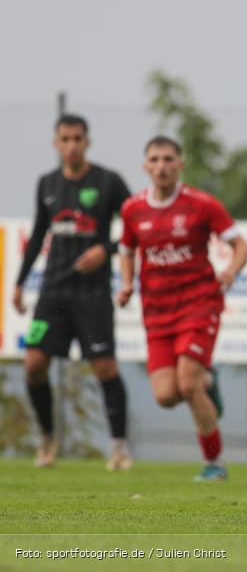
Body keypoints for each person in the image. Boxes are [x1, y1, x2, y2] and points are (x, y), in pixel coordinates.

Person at [117, 135, 247, 482]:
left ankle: (214, 462)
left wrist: (231, 271)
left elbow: (241, 246)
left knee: (188, 384)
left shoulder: (202, 204)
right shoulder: (133, 209)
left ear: (180, 164)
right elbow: (127, 251)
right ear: (146, 166)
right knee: (165, 395)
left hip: (198, 303)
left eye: (167, 159)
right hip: (156, 312)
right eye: (155, 160)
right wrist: (127, 283)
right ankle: (209, 378)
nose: (161, 166)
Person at [14, 114, 132, 471]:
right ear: (56, 144)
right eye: (65, 139)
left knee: (105, 367)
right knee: (33, 364)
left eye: (77, 138)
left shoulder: (108, 182)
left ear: (87, 142)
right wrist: (19, 283)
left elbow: (136, 225)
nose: (71, 145)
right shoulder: (47, 184)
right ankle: (48, 438)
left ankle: (119, 447)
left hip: (93, 294)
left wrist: (107, 250)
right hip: (53, 293)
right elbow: (37, 235)